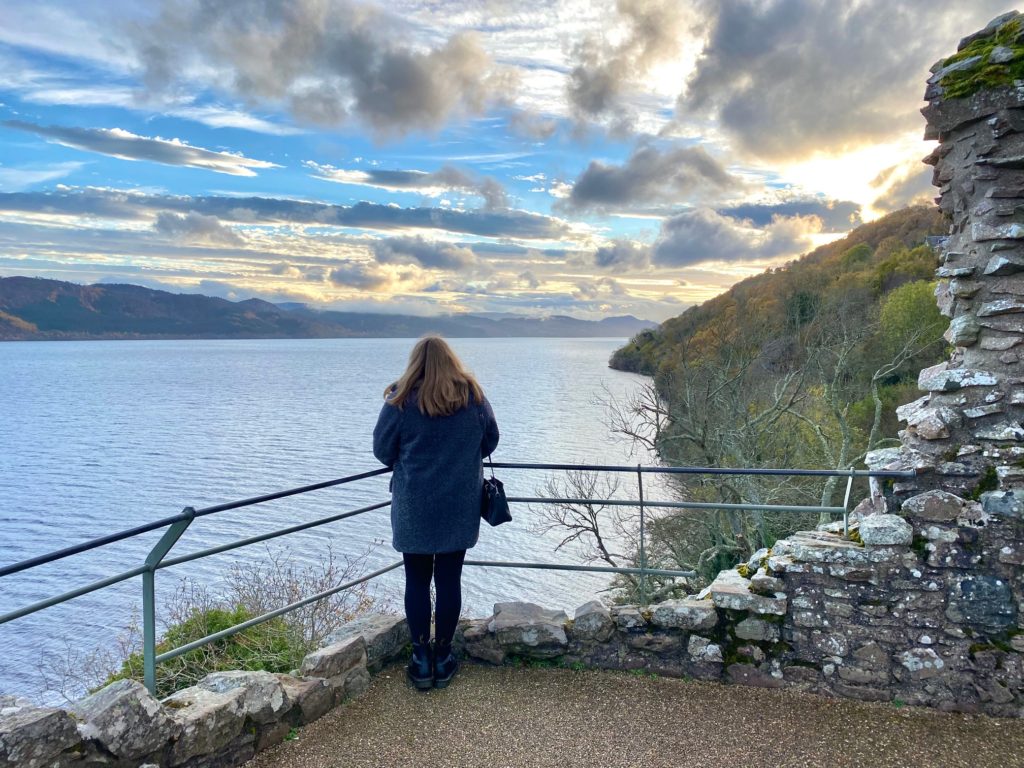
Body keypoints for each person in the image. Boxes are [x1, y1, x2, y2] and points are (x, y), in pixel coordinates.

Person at [372, 335, 500, 690]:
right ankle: (443, 658)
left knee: (416, 581)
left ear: (415, 362)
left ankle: (419, 658)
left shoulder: (400, 398)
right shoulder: (472, 395)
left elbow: (382, 451)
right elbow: (490, 440)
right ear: (451, 360)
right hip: (459, 504)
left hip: (414, 506)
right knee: (448, 581)